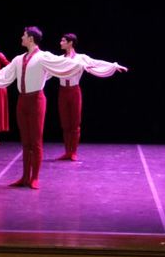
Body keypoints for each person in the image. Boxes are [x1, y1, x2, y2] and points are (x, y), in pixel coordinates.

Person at [0, 26, 99, 189]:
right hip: (22, 101)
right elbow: (4, 73)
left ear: (31, 39)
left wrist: (98, 65)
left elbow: (68, 63)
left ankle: (35, 178)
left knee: (35, 141)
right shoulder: (18, 59)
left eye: (23, 35)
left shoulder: (43, 56)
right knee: (26, 142)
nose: (21, 38)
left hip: (37, 100)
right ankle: (25, 177)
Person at [55, 33, 128, 161]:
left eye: (63, 41)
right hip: (62, 92)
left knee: (75, 123)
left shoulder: (81, 58)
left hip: (74, 91)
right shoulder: (59, 59)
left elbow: (97, 62)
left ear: (70, 43)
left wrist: (114, 65)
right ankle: (67, 152)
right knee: (65, 124)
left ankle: (73, 152)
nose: (60, 43)